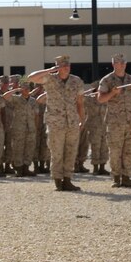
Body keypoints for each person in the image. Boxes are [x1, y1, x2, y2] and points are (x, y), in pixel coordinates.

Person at [27, 55, 85, 191]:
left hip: (72, 122)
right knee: (57, 152)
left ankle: (68, 179)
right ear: (57, 67)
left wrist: (82, 120)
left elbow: (80, 102)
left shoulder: (76, 81)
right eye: (62, 66)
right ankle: (58, 180)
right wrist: (49, 70)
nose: (66, 68)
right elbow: (31, 77)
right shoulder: (50, 79)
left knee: (71, 152)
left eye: (68, 65)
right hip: (55, 122)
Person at [97, 53, 131, 188]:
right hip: (114, 122)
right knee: (115, 150)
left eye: (123, 62)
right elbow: (100, 99)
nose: (121, 64)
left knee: (130, 150)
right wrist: (112, 93)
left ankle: (126, 177)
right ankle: (116, 177)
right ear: (113, 64)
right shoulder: (107, 80)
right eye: (118, 62)